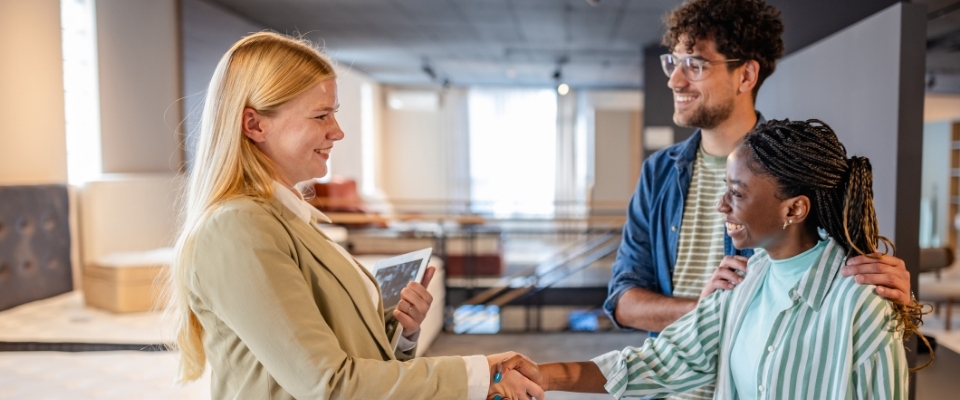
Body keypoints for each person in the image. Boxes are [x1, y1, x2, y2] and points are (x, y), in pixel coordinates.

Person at [165, 32, 542, 400]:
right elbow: (330, 385)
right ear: (255, 125)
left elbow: (351, 363)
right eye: (321, 115)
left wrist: (403, 333)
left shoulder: (288, 219)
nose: (338, 131)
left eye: (335, 114)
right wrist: (478, 374)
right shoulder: (237, 228)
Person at [605, 3, 912, 398]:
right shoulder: (658, 173)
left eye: (695, 64)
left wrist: (887, 290)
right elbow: (622, 301)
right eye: (674, 63)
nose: (675, 81)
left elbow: (837, 275)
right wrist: (707, 313)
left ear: (746, 74)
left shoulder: (795, 170)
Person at [505, 119, 925, 399]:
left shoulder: (861, 305)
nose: (722, 206)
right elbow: (662, 361)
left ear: (793, 210)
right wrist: (543, 374)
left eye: (737, 193)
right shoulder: (741, 283)